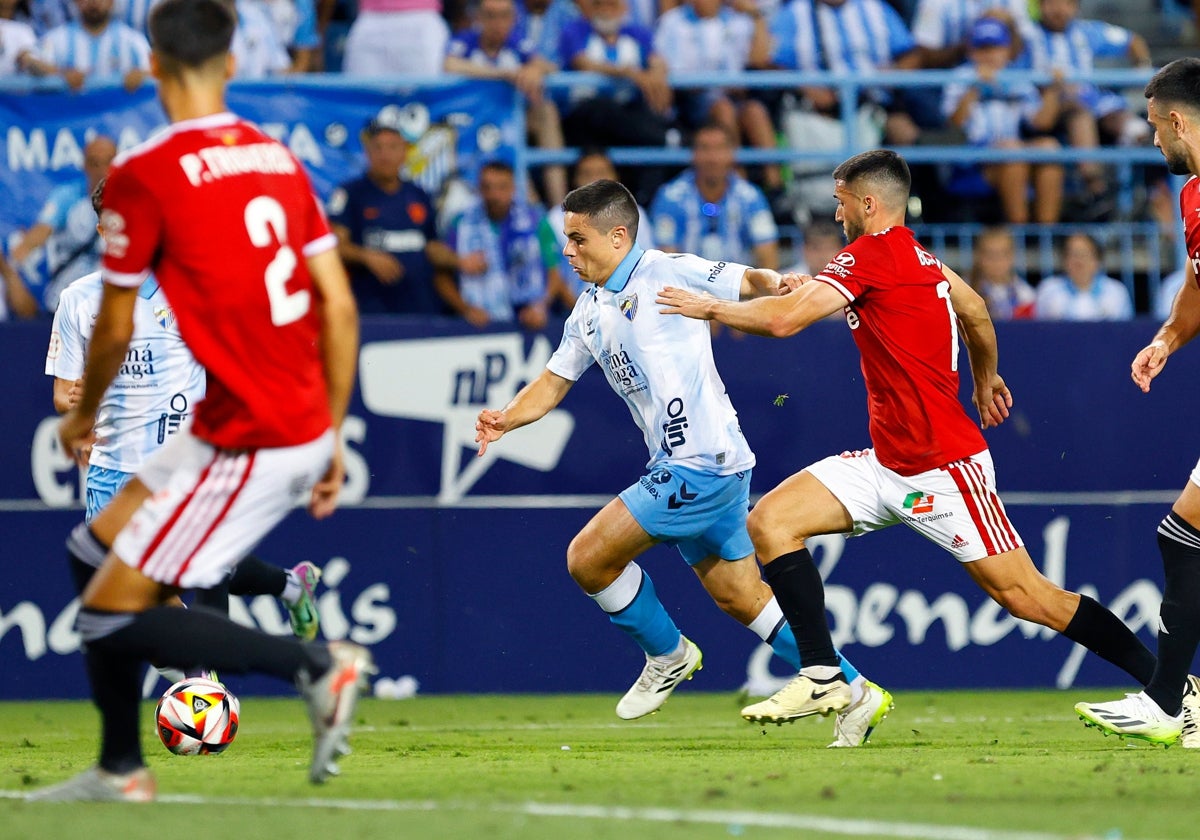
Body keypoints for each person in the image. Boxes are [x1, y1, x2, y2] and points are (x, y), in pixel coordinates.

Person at [655, 149, 1188, 733]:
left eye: (839, 202)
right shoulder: (922, 256)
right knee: (771, 523)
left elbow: (785, 321)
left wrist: (709, 307)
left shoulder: (870, 255)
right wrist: (985, 375)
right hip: (886, 462)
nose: (836, 216)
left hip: (944, 467)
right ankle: (825, 677)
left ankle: (1170, 690)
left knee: (1029, 597)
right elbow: (977, 309)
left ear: (866, 203)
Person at [29, 0, 371, 801]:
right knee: (92, 558)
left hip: (246, 428)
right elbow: (340, 308)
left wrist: (80, 416)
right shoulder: (277, 159)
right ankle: (120, 767)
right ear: (232, 64)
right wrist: (336, 435)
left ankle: (318, 665)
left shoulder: (146, 173)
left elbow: (116, 322)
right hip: (277, 417)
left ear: (151, 68)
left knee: (112, 608)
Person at [475, 178, 892, 748]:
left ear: (617, 235)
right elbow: (551, 385)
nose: (567, 252)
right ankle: (855, 687)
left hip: (702, 463)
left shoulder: (665, 270)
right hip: (695, 462)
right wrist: (504, 419)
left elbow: (746, 278)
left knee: (588, 559)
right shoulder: (588, 311)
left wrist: (780, 280)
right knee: (741, 598)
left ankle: (668, 654)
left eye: (577, 239)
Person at [46, 176, 323, 641]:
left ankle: (207, 688)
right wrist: (73, 404)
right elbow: (63, 392)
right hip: (113, 471)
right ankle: (292, 587)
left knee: (205, 568)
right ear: (102, 232)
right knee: (142, 595)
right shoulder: (77, 300)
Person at [1075, 57, 1200, 748]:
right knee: (1182, 534)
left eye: (1156, 128)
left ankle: (1165, 702)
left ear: (1178, 121)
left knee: (1183, 535)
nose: (1154, 142)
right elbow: (1197, 284)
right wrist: (1167, 340)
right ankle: (1171, 700)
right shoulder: (1192, 198)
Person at [326, 111, 453, 316]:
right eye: (378, 148)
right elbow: (334, 246)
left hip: (421, 307)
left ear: (405, 153)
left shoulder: (420, 195)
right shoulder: (349, 194)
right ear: (367, 152)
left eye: (393, 147)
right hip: (373, 309)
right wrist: (366, 256)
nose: (385, 155)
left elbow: (432, 246)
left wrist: (456, 260)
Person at [941, 15, 1064, 225]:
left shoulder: (1016, 77)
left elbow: (1041, 122)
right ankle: (1020, 234)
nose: (989, 55)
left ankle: (1046, 235)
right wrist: (974, 88)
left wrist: (1053, 90)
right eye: (983, 48)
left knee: (1049, 147)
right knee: (1013, 154)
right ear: (971, 51)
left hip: (1012, 150)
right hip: (973, 159)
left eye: (996, 48)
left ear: (1008, 51)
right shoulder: (961, 75)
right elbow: (954, 124)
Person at [444, 0, 567, 206]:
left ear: (513, 19)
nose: (497, 23)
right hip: (470, 124)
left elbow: (549, 66)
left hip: (507, 122)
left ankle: (558, 205)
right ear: (479, 18)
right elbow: (449, 64)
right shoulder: (465, 41)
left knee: (546, 111)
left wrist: (536, 69)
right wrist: (502, 74)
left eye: (504, 16)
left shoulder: (518, 44)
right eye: (491, 16)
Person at [442, 159, 567, 329]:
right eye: (487, 187)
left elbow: (555, 272)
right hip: (478, 323)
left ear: (513, 188)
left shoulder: (536, 220)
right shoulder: (461, 224)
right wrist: (466, 309)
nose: (494, 195)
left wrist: (541, 306)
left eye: (501, 187)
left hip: (529, 322)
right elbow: (441, 275)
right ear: (479, 188)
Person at [650, 122, 779, 270]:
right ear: (693, 154)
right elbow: (665, 259)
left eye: (719, 149)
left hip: (737, 288)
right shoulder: (670, 198)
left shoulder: (750, 197)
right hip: (684, 286)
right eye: (705, 148)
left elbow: (768, 255)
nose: (712, 158)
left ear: (731, 154)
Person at [10, 135, 115, 314]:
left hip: (110, 306)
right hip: (67, 303)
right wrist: (24, 248)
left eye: (108, 162)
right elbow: (43, 229)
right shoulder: (67, 196)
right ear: (84, 165)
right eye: (95, 163)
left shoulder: (132, 200)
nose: (102, 170)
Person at [31, 0, 150, 90]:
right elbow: (30, 62)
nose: (93, 2)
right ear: (76, 2)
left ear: (112, 2)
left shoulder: (133, 41)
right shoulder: (57, 39)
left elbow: (160, 71)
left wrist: (141, 76)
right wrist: (61, 74)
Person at [1034, 232, 1133, 321]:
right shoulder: (1048, 290)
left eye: (1084, 254)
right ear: (1064, 260)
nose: (1079, 260)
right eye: (1073, 254)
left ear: (1097, 260)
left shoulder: (1116, 291)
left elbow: (1125, 331)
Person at [968, 226, 1036, 320]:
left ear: (1012, 256)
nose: (996, 260)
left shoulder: (1025, 294)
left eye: (1003, 254)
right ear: (978, 255)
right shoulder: (965, 290)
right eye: (989, 254)